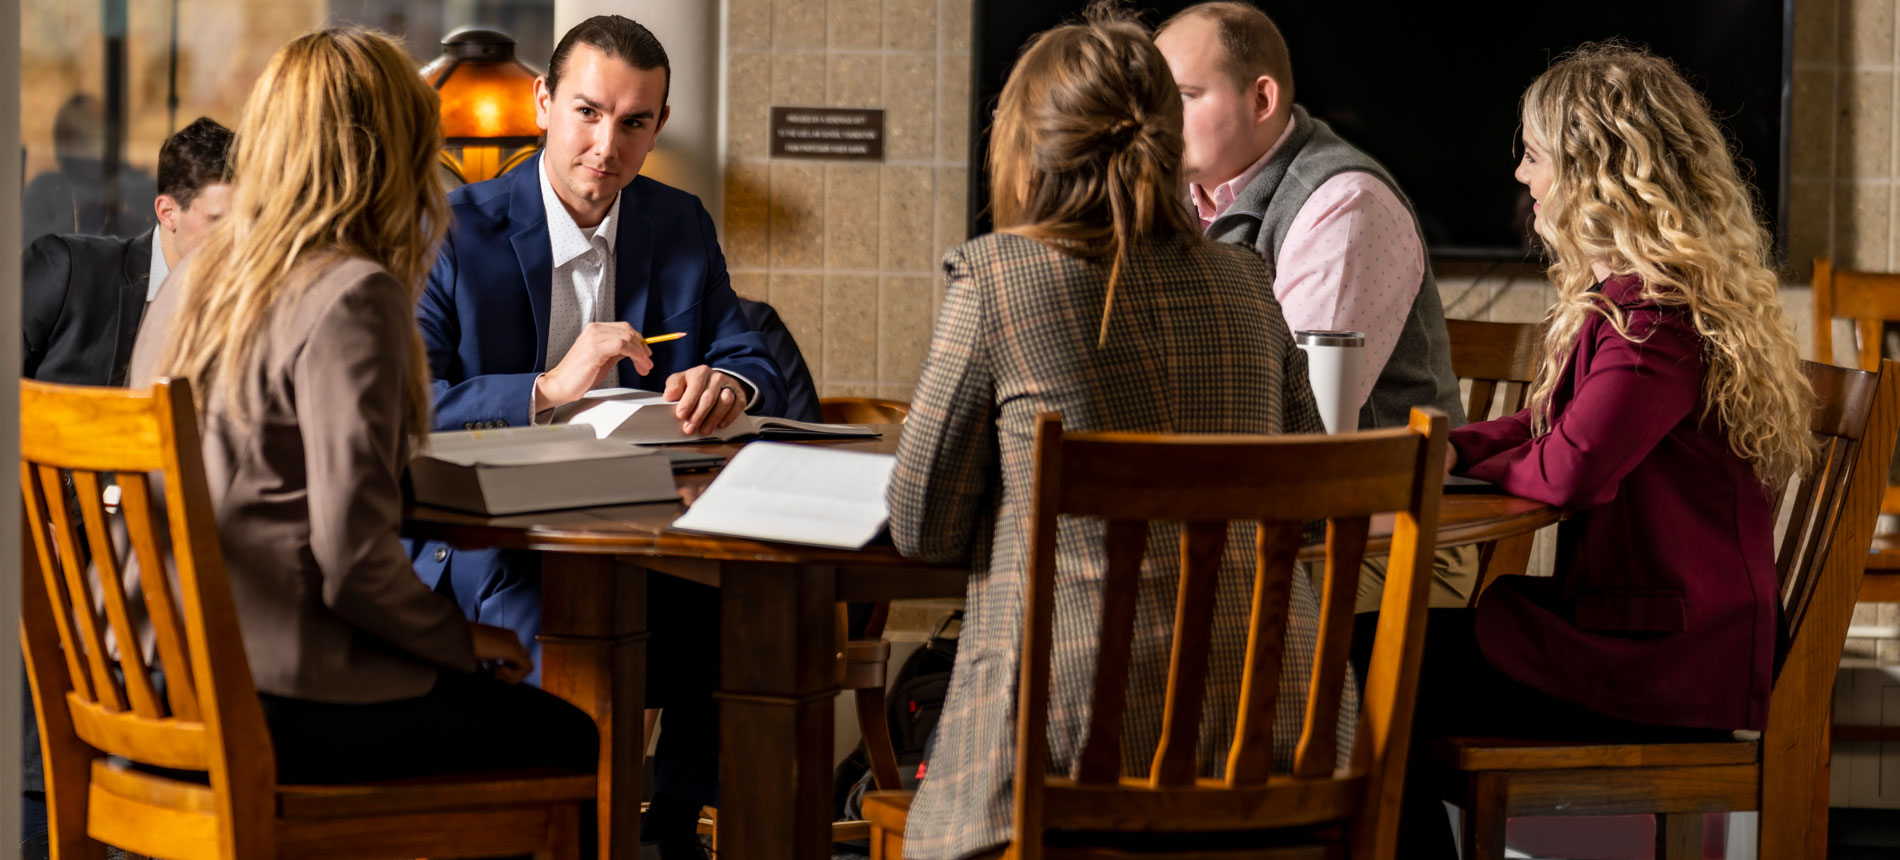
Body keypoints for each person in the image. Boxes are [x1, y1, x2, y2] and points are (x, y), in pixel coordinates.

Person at [886, 10, 1346, 859]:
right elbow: (1311, 519)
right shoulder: (1249, 286)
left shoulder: (995, 281)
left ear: (1026, 147)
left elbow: (923, 529)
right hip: (1275, 754)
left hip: (1061, 759)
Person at [128, 26, 596, 792]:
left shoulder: (195, 276)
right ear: (399, 154)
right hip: (269, 694)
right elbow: (353, 565)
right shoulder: (353, 292)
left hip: (148, 682)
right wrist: (463, 640)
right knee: (569, 737)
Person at [1401, 43, 1815, 856]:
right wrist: (1445, 448)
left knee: (1365, 675)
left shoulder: (1657, 314)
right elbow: (1544, 425)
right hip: (1635, 632)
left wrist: (1470, 459)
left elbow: (1568, 469)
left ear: (1594, 170)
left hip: (1667, 662)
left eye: (1531, 154)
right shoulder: (1629, 299)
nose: (1522, 176)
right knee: (1368, 663)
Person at [413, 16, 779, 855]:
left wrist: (727, 380)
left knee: (750, 626)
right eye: (586, 112)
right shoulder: (452, 227)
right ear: (543, 101)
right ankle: (569, 838)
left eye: (633, 123)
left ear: (658, 126)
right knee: (569, 639)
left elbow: (744, 346)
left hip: (642, 535)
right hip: (490, 543)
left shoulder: (679, 223)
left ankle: (674, 831)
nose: (605, 145)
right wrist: (545, 389)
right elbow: (411, 403)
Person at [1154, 1, 1474, 614]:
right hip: (1274, 525)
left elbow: (1289, 421)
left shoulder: (1342, 205)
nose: (1161, 118)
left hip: (1391, 542)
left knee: (1155, 605)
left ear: (1262, 99)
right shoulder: (1186, 205)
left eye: (1187, 95)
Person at [23, 116, 233, 387]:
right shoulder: (65, 270)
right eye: (219, 221)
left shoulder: (244, 308)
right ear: (167, 213)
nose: (238, 237)